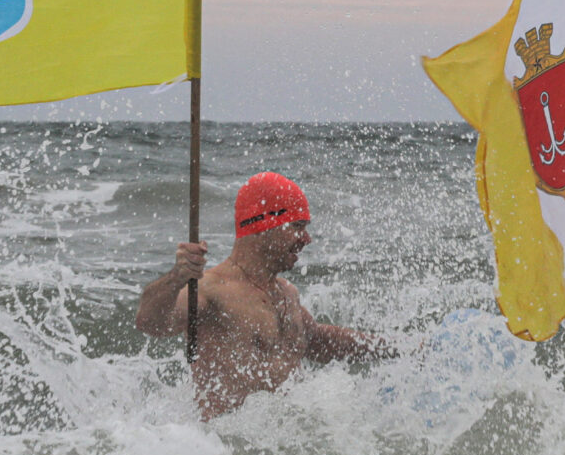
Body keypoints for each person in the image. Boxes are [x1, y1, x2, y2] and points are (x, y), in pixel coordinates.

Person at [136, 172, 392, 419]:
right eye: (297, 226)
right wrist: (176, 278)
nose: (307, 238)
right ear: (262, 226)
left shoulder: (286, 293)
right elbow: (150, 322)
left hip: (283, 452)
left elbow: (318, 341)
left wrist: (400, 347)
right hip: (227, 453)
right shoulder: (211, 290)